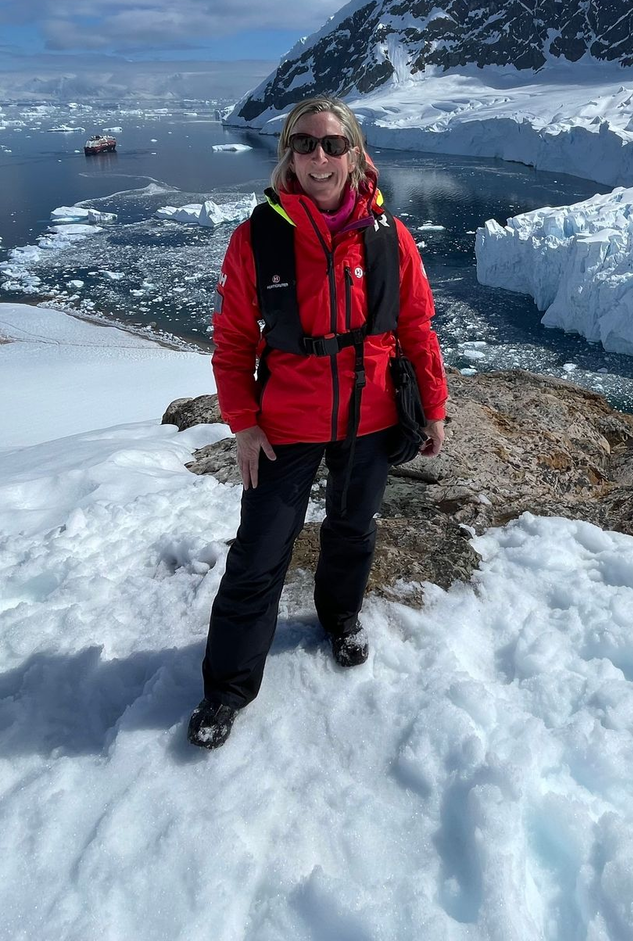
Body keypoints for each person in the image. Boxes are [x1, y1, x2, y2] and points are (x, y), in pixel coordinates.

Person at [188, 95, 448, 749]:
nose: (319, 156)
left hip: (371, 414)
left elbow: (416, 325)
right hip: (285, 425)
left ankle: (340, 615)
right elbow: (234, 341)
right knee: (259, 554)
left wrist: (435, 405)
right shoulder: (259, 238)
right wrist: (243, 422)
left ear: (357, 154)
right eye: (305, 144)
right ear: (287, 156)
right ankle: (227, 687)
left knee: (352, 529)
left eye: (334, 144)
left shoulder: (389, 236)